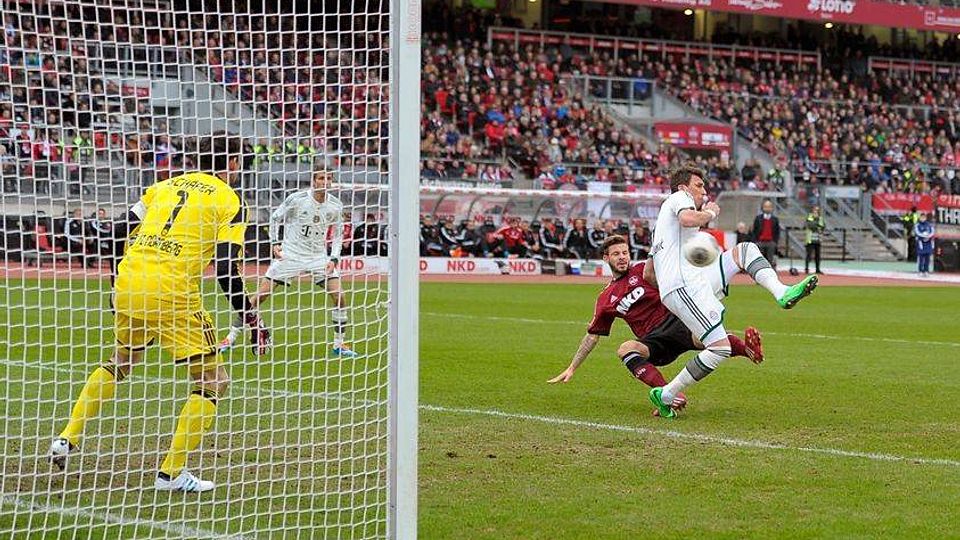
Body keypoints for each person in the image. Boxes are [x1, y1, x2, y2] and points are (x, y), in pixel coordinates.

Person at [49, 132, 271, 492]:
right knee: (214, 381)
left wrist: (114, 281)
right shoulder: (231, 201)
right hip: (172, 293)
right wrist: (250, 317)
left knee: (120, 360)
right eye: (241, 164)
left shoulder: (163, 186)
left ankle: (66, 437)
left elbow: (117, 230)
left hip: (130, 283)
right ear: (232, 165)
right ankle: (171, 473)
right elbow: (227, 269)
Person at [646, 164, 818, 419]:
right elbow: (688, 218)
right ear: (683, 187)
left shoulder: (660, 228)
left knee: (745, 251)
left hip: (690, 280)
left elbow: (648, 273)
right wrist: (710, 213)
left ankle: (782, 292)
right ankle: (666, 395)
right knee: (719, 348)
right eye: (699, 185)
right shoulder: (678, 198)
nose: (704, 190)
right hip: (683, 285)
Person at [548, 236, 764, 416]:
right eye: (616, 254)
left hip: (677, 321)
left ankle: (748, 351)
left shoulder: (644, 270)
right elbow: (592, 336)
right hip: (654, 341)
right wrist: (572, 367)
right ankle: (667, 394)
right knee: (625, 348)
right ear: (606, 258)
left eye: (625, 252)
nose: (622, 257)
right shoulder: (606, 298)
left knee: (709, 338)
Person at [220, 168, 357, 357]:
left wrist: (334, 258)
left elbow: (338, 235)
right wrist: (275, 243)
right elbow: (276, 218)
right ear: (313, 181)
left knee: (340, 297)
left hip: (317, 258)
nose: (325, 181)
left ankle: (339, 344)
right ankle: (230, 337)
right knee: (260, 296)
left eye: (329, 178)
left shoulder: (335, 205)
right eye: (321, 178)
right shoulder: (297, 199)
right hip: (291, 255)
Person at [751, 200, 780, 269]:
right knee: (759, 260)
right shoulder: (758, 218)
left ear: (772, 208)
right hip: (760, 242)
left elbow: (777, 232)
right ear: (763, 208)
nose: (767, 208)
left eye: (769, 207)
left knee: (770, 261)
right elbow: (754, 231)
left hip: (771, 242)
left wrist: (775, 242)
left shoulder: (775, 219)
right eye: (766, 207)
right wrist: (756, 242)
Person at [805, 206, 826, 274]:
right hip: (810, 239)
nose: (816, 212)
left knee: (818, 255)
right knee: (809, 255)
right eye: (815, 210)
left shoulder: (820, 218)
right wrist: (818, 226)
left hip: (818, 239)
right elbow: (811, 226)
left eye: (817, 210)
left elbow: (823, 226)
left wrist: (818, 226)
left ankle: (817, 269)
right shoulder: (809, 217)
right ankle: (807, 269)